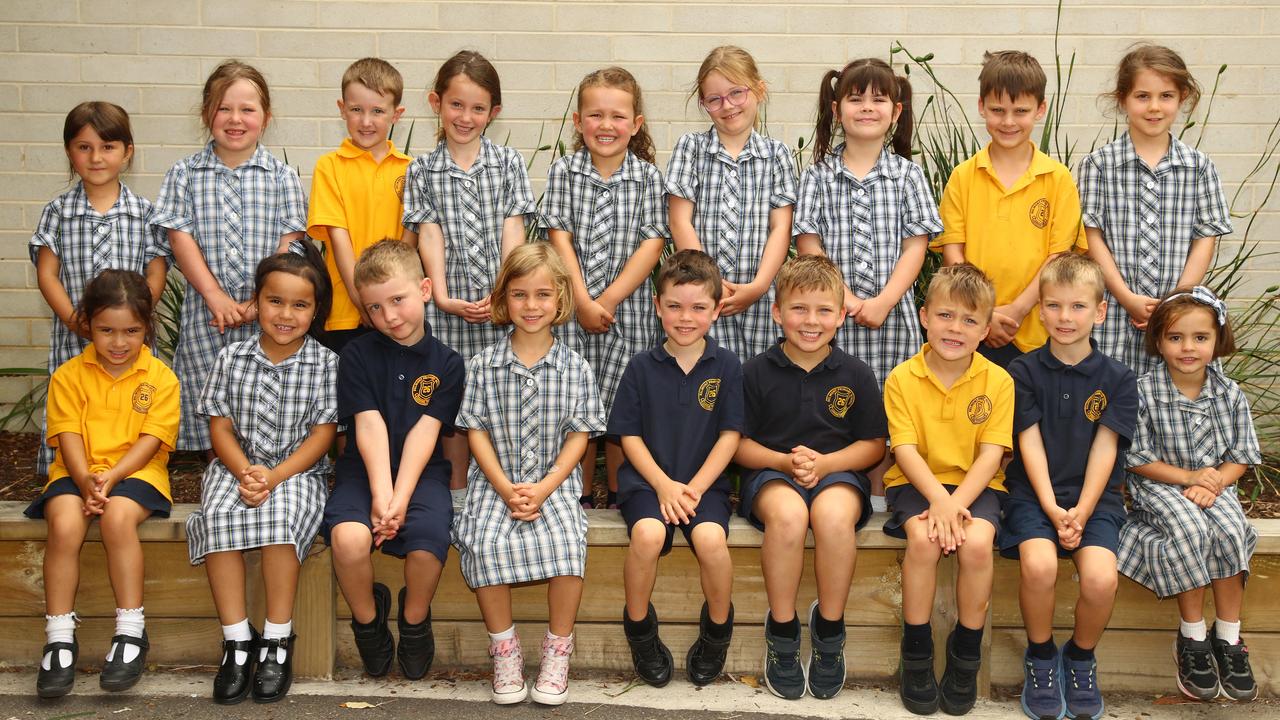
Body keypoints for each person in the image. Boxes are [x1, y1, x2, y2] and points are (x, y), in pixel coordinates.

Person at [453, 244, 606, 706]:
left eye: (543, 295)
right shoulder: (482, 366)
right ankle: (505, 649)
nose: (532, 306)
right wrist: (504, 487)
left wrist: (543, 488)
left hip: (551, 481)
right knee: (484, 539)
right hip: (495, 481)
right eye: (520, 295)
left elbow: (579, 435)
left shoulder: (576, 367)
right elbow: (475, 431)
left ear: (560, 299)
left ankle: (558, 649)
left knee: (566, 540)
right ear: (503, 299)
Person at [185, 247, 338, 704]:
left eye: (300, 304)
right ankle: (236, 641)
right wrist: (246, 472)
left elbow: (322, 435)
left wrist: (273, 478)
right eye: (275, 301)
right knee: (218, 517)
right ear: (256, 301)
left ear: (315, 310)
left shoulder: (326, 364)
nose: (285, 314)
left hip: (296, 471)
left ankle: (275, 639)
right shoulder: (231, 358)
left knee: (281, 520)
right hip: (238, 466)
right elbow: (220, 427)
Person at [735, 255, 888, 701]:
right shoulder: (755, 372)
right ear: (777, 313)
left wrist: (826, 464)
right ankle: (782, 631)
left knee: (833, 517)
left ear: (841, 316)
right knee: (787, 517)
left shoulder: (855, 374)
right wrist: (784, 463)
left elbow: (873, 445)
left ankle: (829, 630)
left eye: (824, 310)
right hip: (771, 474)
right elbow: (737, 444)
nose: (811, 321)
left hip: (837, 474)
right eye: (799, 309)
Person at [998, 254, 1137, 720]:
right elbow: (1028, 445)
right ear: (1040, 309)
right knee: (1038, 567)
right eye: (1053, 306)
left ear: (1099, 312)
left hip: (1094, 500)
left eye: (1078, 307)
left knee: (1100, 578)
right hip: (1033, 496)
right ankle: (1041, 656)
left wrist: (1080, 509)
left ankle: (1079, 656)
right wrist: (1053, 509)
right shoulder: (1022, 372)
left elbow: (1106, 450)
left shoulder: (1118, 379)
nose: (1064, 317)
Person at [27, 269, 179, 698]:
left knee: (116, 518)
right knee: (64, 524)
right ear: (86, 325)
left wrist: (110, 479)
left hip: (138, 474)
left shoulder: (161, 377)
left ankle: (131, 632)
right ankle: (59, 636)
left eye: (131, 331)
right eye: (106, 330)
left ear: (146, 327)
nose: (118, 342)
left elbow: (152, 441)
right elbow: (68, 437)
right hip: (76, 472)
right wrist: (85, 480)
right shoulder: (69, 376)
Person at [322, 239, 464, 682]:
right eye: (375, 309)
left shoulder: (448, 363)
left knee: (427, 538)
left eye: (397, 300)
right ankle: (367, 621)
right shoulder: (357, 356)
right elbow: (369, 427)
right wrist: (382, 496)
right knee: (347, 539)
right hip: (363, 473)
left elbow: (426, 434)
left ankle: (415, 618)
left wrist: (400, 498)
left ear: (424, 289)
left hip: (421, 476)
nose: (389, 317)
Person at [152, 60, 307, 452]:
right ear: (207, 113)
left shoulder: (281, 176)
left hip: (268, 314)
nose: (235, 119)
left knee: (265, 391)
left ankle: (267, 468)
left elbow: (289, 243)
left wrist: (263, 300)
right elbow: (179, 236)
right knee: (211, 394)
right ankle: (218, 471)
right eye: (224, 108)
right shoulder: (184, 174)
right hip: (209, 314)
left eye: (247, 109)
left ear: (266, 118)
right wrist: (214, 296)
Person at [404, 50, 536, 505]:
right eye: (456, 105)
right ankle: (458, 491)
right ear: (436, 102)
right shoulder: (422, 170)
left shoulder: (508, 164)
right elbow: (429, 233)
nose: (466, 116)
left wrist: (507, 294)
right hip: (450, 306)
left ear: (493, 112)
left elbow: (512, 230)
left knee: (499, 395)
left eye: (478, 108)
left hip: (498, 305)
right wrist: (440, 296)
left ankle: (503, 487)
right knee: (453, 399)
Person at [1118, 286, 1261, 703]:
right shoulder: (1143, 391)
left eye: (1200, 338)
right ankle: (1193, 637)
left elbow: (1242, 454)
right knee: (1188, 529)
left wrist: (1214, 481)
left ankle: (1229, 638)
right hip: (1160, 484)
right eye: (1176, 337)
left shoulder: (1229, 393)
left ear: (1217, 341)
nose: (1188, 347)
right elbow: (1137, 457)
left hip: (1213, 485)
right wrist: (1189, 478)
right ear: (1158, 341)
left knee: (1233, 531)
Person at [882, 263, 1013, 716]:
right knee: (922, 538)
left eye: (969, 320)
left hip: (975, 485)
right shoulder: (902, 378)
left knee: (977, 543)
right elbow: (904, 450)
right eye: (945, 315)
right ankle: (916, 652)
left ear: (985, 330)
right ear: (924, 316)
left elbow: (992, 455)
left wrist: (955, 504)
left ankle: (965, 653)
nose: (955, 328)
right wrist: (938, 501)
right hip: (916, 481)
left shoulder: (999, 381)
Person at [611, 250, 742, 687]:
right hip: (650, 483)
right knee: (647, 534)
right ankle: (640, 628)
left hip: (704, 487)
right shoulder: (640, 368)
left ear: (717, 309)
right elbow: (629, 437)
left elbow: (730, 436)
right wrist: (665, 486)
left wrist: (695, 488)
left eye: (699, 307)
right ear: (657, 306)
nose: (686, 317)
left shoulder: (726, 366)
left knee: (710, 539)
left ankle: (717, 630)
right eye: (675, 306)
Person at [544, 66, 665, 510]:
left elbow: (653, 242)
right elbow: (559, 237)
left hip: (627, 313)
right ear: (578, 122)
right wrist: (581, 299)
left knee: (621, 407)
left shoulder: (649, 179)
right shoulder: (564, 173)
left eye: (618, 116)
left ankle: (617, 492)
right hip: (571, 311)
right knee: (576, 402)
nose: (606, 125)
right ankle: (574, 494)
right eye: (595, 115)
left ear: (636, 125)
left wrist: (607, 300)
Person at [1078, 44, 1232, 376]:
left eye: (1166, 96)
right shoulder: (1099, 166)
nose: (1154, 107)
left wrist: (1176, 301)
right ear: (1123, 98)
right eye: (1142, 96)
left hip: (1178, 320)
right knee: (1111, 404)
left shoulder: (1199, 167)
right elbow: (1092, 236)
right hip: (1115, 317)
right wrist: (1126, 296)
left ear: (1183, 98)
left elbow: (1205, 239)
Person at [31, 102, 167, 477]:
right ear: (69, 152)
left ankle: (127, 472)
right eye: (84, 147)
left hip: (130, 339)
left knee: (131, 407)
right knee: (74, 406)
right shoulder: (57, 211)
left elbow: (156, 271)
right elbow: (47, 274)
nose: (95, 157)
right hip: (76, 335)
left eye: (107, 147)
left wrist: (136, 317)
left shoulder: (144, 212)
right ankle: (69, 473)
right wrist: (77, 320)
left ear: (127, 153)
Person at [933, 50, 1085, 368]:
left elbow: (1057, 259)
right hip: (972, 330)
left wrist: (1015, 310)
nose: (1008, 121)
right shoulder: (963, 176)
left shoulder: (1058, 179)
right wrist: (984, 313)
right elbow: (953, 254)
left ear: (1040, 110)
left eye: (1021, 111)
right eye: (997, 110)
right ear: (981, 107)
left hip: (1037, 335)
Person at [796, 57, 941, 388]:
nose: (867, 108)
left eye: (879, 99)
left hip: (893, 317)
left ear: (896, 111)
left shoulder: (909, 176)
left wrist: (883, 302)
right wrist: (846, 299)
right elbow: (808, 244)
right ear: (836, 110)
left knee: (894, 407)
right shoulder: (817, 176)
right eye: (856, 99)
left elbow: (915, 248)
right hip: (832, 318)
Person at [667, 45, 797, 362]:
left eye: (737, 93)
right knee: (706, 378)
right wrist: (708, 283)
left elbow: (781, 226)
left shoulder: (777, 154)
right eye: (714, 99)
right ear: (703, 104)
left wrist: (758, 286)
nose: (728, 106)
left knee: (757, 382)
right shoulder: (690, 148)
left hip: (760, 295)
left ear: (759, 90)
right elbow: (680, 220)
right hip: (702, 296)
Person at [308, 57, 416, 355]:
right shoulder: (329, 167)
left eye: (378, 111)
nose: (366, 121)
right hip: (346, 312)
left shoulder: (413, 170)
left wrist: (389, 304)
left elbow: (408, 244)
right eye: (356, 110)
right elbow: (339, 242)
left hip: (398, 313)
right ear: (342, 108)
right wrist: (365, 303)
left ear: (397, 114)